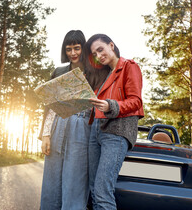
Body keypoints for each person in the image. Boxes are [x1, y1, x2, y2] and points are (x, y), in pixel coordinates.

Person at [83, 34, 144, 210]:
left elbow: (136, 101)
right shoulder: (104, 75)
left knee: (102, 191)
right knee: (94, 190)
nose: (99, 56)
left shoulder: (129, 66)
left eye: (100, 49)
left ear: (111, 45)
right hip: (96, 132)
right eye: (95, 54)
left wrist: (110, 106)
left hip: (117, 132)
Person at [39, 30, 91, 210]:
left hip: (81, 128)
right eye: (69, 49)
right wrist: (45, 135)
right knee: (51, 180)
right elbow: (50, 106)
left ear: (84, 48)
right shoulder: (59, 71)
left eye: (77, 48)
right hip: (57, 125)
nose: (73, 53)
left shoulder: (94, 72)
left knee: (74, 180)